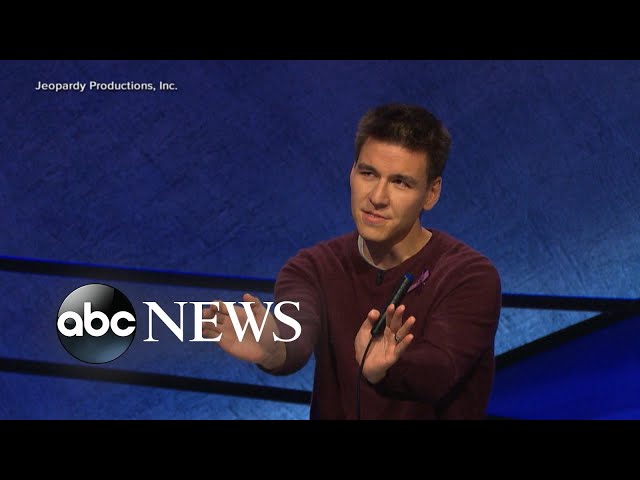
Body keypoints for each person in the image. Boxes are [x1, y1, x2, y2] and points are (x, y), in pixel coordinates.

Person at [202, 103, 502, 419]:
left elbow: (442, 369)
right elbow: (297, 333)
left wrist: (387, 369)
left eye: (400, 182)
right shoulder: (312, 268)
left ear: (431, 193)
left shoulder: (469, 276)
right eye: (368, 173)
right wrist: (273, 348)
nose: (377, 197)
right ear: (352, 173)